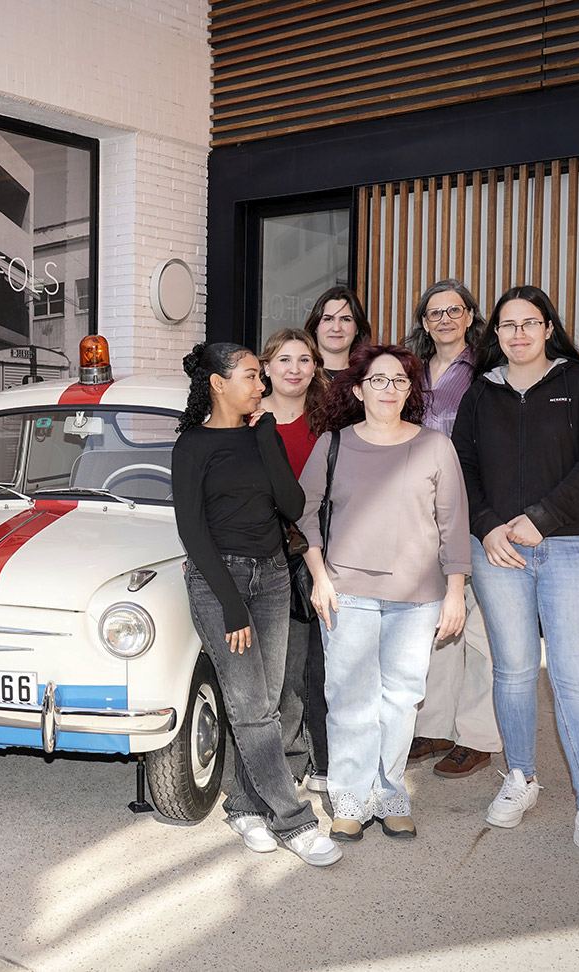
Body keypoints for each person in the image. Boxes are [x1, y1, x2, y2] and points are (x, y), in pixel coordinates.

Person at [453, 285, 579, 876]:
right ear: (496, 334)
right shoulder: (481, 393)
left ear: (548, 328)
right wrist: (487, 527)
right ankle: (521, 777)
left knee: (574, 680)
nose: (518, 334)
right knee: (511, 670)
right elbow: (462, 467)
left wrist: (542, 518)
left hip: (570, 546)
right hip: (498, 550)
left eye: (529, 323)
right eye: (507, 325)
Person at [172, 341, 341, 867]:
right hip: (219, 582)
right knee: (251, 707)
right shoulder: (192, 446)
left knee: (265, 704)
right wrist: (230, 605)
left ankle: (245, 805)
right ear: (218, 384)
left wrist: (267, 438)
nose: (261, 385)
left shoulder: (262, 434)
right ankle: (295, 821)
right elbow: (191, 531)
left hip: (272, 576)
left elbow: (292, 504)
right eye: (251, 376)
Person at [298, 343, 469, 842]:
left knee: (401, 699)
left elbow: (453, 523)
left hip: (417, 597)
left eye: (399, 380)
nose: (389, 389)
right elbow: (303, 514)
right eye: (378, 380)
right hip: (346, 591)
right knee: (349, 699)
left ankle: (391, 791)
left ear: (410, 390)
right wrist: (319, 576)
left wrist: (455, 591)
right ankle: (350, 798)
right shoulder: (333, 444)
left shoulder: (436, 446)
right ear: (358, 390)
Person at [405, 280, 502, 779]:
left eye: (453, 311)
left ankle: (478, 735)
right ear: (424, 323)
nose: (444, 319)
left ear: (469, 316)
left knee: (482, 628)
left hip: (475, 507)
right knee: (438, 624)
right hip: (423, 511)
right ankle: (436, 726)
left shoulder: (485, 368)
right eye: (434, 313)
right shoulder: (410, 371)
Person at [257, 328, 329, 793]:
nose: (294, 369)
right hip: (268, 552)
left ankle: (319, 757)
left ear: (315, 368)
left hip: (320, 550)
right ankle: (284, 761)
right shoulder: (248, 419)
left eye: (304, 360)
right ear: (266, 367)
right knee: (279, 666)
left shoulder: (328, 423)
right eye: (284, 359)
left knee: (317, 664)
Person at [302, 285, 371, 373]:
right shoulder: (299, 374)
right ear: (315, 326)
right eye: (328, 319)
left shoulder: (368, 375)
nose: (336, 328)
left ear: (357, 328)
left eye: (345, 319)